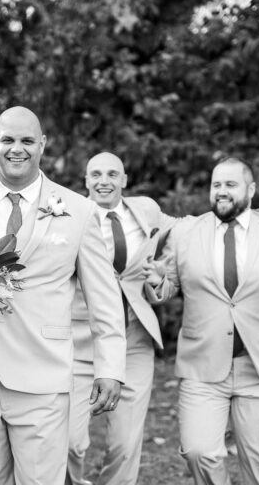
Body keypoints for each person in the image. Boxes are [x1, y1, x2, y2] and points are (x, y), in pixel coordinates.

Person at [0, 106, 127, 484]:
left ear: (42, 144)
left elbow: (105, 299)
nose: (17, 149)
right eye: (8, 140)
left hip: (44, 375)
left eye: (27, 140)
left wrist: (110, 367)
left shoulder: (79, 210)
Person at [144, 157, 259, 485]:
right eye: (216, 184)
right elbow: (169, 283)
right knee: (198, 452)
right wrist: (158, 281)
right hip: (202, 364)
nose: (221, 191)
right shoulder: (185, 233)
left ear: (251, 189)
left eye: (230, 184)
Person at [67, 152, 175, 485]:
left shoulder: (147, 210)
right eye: (96, 174)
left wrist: (251, 218)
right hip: (80, 341)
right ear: (86, 181)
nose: (104, 181)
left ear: (125, 180)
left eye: (112, 174)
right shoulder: (69, 214)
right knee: (70, 442)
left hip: (134, 339)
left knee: (126, 445)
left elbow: (188, 230)